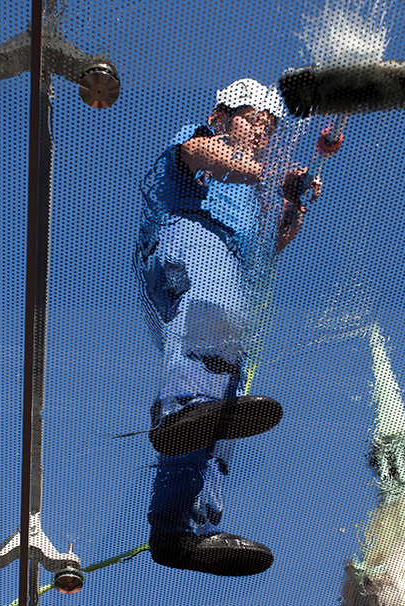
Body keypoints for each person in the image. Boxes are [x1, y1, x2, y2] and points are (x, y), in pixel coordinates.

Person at [133, 78, 321, 576]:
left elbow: (269, 246)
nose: (262, 128)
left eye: (270, 124)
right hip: (194, 245)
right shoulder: (198, 140)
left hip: (233, 271)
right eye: (251, 117)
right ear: (220, 115)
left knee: (222, 389)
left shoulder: (253, 192)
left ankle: (180, 530)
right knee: (206, 346)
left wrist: (290, 206)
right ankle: (181, 410)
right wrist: (269, 172)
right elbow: (207, 158)